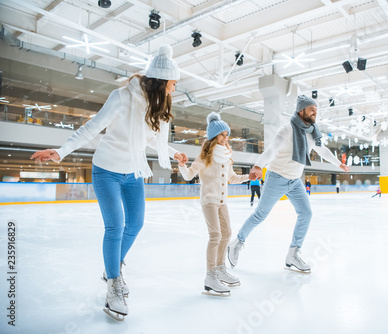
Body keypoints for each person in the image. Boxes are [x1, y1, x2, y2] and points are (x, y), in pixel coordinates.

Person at [30, 45, 187, 321]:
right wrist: (62, 151)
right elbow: (93, 126)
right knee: (115, 226)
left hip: (134, 172)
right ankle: (114, 283)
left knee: (135, 224)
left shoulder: (152, 104)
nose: (174, 89)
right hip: (107, 171)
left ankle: (111, 266)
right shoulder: (122, 97)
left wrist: (174, 153)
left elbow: (149, 138)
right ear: (162, 81)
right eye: (173, 84)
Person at [227, 95, 349, 273]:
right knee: (260, 214)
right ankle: (237, 242)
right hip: (276, 178)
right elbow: (272, 149)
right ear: (301, 111)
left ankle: (293, 254)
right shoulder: (287, 130)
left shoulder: (312, 131)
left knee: (306, 213)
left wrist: (339, 164)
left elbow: (322, 149)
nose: (315, 113)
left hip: (295, 181)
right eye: (311, 109)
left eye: (316, 109)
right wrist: (259, 166)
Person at [176, 112, 250, 297]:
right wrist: (182, 164)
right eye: (222, 134)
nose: (226, 138)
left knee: (227, 234)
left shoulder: (226, 155)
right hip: (209, 200)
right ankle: (210, 276)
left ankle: (219, 269)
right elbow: (188, 175)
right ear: (213, 136)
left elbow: (232, 178)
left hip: (223, 202)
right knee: (215, 234)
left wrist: (250, 176)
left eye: (227, 135)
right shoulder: (205, 157)